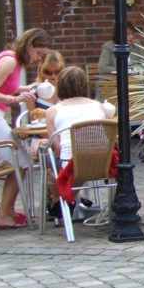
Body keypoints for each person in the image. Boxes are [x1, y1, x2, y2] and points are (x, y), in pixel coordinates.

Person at [0, 27, 52, 229]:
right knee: (21, 162)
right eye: (38, 53)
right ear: (29, 46)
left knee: (19, 162)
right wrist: (13, 99)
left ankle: (6, 211)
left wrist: (28, 89)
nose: (38, 59)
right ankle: (4, 214)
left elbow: (6, 86)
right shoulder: (10, 61)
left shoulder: (11, 60)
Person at [43, 66, 108, 219]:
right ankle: (70, 199)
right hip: (102, 164)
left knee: (47, 158)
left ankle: (59, 199)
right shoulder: (98, 106)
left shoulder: (53, 111)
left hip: (71, 166)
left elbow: (57, 147)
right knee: (78, 156)